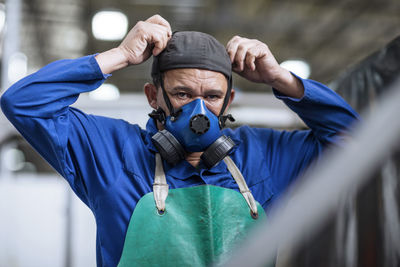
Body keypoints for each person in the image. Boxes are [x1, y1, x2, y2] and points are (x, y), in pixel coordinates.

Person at [1, 14, 359, 267]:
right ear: (153, 97)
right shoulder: (110, 151)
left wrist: (283, 79)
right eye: (183, 94)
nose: (199, 111)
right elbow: (22, 103)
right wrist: (120, 56)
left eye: (213, 97)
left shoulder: (263, 156)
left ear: (228, 102)